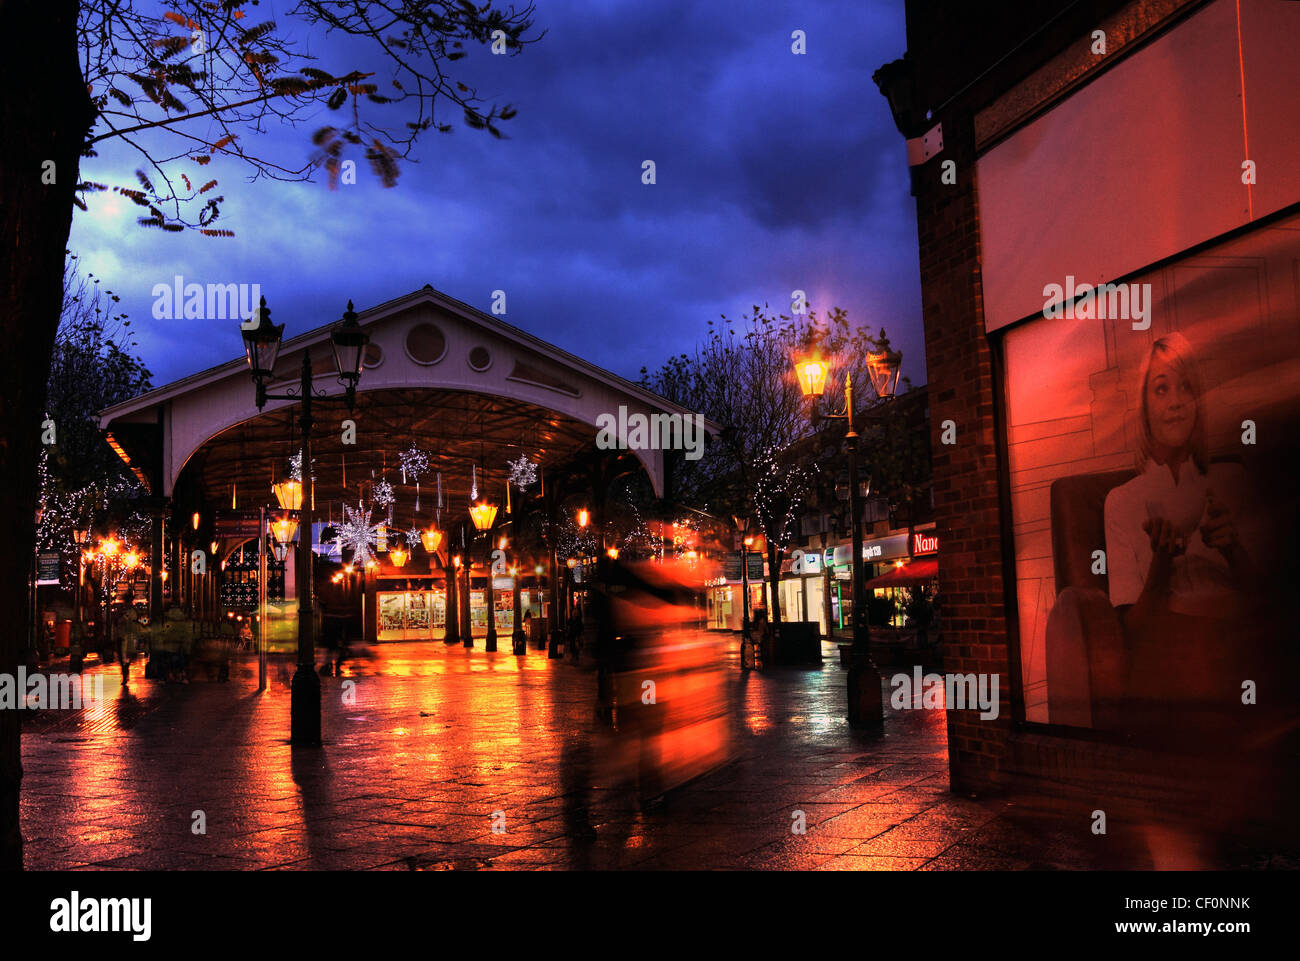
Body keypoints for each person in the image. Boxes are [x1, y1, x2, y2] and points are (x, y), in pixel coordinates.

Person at [1102, 333, 1257, 747]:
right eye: (1161, 389)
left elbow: (1273, 603)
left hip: (1238, 652)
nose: (1175, 401)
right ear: (1145, 407)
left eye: (1186, 387)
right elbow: (1134, 630)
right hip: (1173, 658)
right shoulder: (1122, 503)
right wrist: (1163, 560)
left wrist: (1232, 548)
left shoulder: (1231, 482)